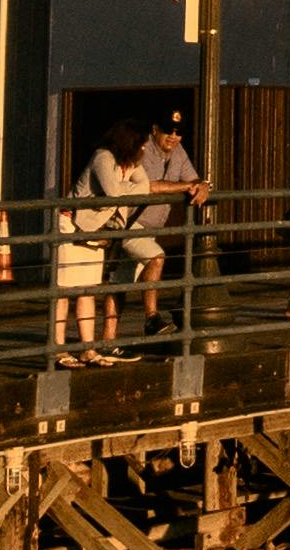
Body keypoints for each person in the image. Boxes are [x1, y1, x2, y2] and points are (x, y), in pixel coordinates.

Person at [57, 114, 155, 361]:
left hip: (96, 230)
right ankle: (57, 350)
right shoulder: (104, 157)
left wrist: (128, 189)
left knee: (88, 290)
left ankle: (87, 349)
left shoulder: (130, 164)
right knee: (64, 290)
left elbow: (145, 186)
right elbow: (112, 192)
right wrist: (129, 190)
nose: (144, 148)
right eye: (141, 143)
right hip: (73, 226)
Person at [133, 106, 207, 329]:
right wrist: (189, 186)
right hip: (129, 222)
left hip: (151, 227)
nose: (174, 137)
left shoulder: (178, 151)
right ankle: (151, 318)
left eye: (178, 132)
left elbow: (193, 179)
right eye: (168, 131)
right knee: (156, 258)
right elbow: (151, 186)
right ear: (155, 130)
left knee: (120, 282)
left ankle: (109, 339)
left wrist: (203, 185)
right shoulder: (141, 149)